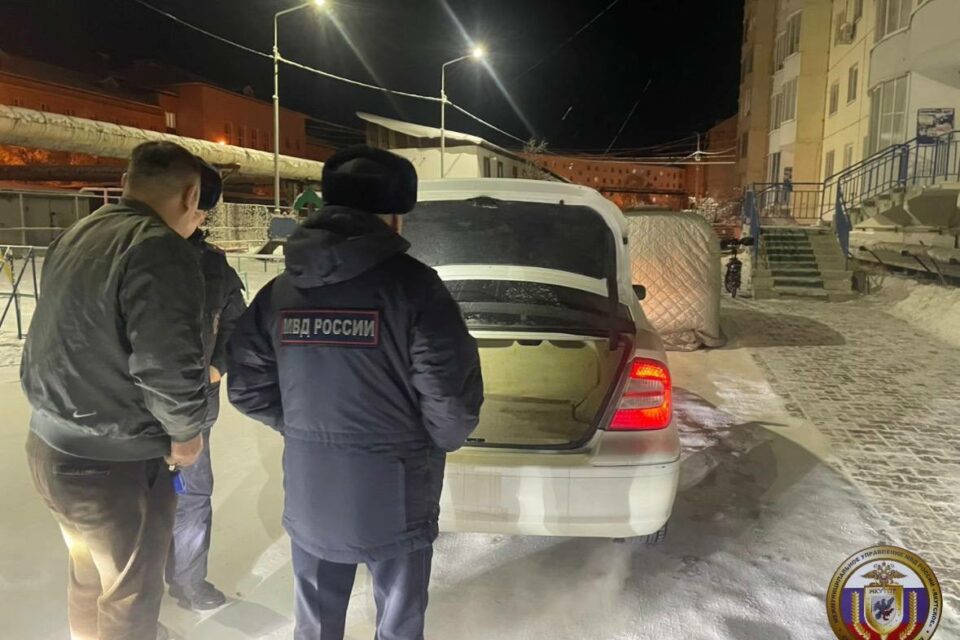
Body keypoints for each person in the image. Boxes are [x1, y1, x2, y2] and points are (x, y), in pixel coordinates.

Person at [227, 146, 484, 640]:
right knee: (398, 623)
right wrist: (427, 441)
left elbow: (246, 386)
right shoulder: (416, 288)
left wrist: (304, 427)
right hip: (397, 488)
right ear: (394, 218)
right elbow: (451, 402)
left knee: (316, 624)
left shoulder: (281, 292)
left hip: (313, 490)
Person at [21, 141, 212, 640]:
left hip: (50, 448)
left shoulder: (78, 232)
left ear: (126, 182)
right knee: (129, 598)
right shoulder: (159, 249)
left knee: (89, 578)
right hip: (113, 467)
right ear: (191, 196)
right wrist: (186, 435)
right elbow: (166, 364)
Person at [165, 161, 247, 611]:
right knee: (137, 507)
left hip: (197, 409)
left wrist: (217, 367)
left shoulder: (213, 263)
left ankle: (188, 582)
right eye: (198, 210)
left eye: (204, 214)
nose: (199, 219)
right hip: (134, 414)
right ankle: (132, 605)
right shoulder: (131, 255)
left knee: (193, 499)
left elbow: (237, 323)